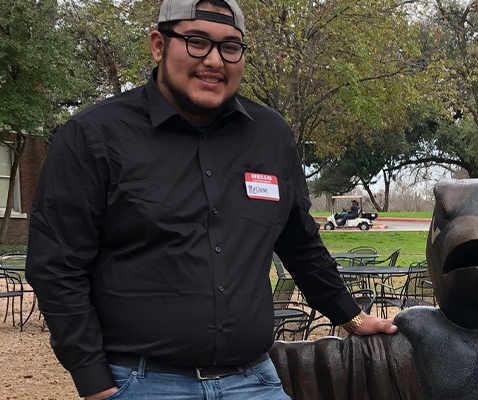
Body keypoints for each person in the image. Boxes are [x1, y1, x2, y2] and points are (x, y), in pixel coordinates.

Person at [25, 1, 396, 399]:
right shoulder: (94, 137)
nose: (214, 60)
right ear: (158, 45)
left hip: (255, 380)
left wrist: (352, 317)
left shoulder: (271, 136)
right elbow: (57, 267)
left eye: (230, 47)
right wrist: (94, 382)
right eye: (197, 42)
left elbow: (299, 243)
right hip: (143, 382)